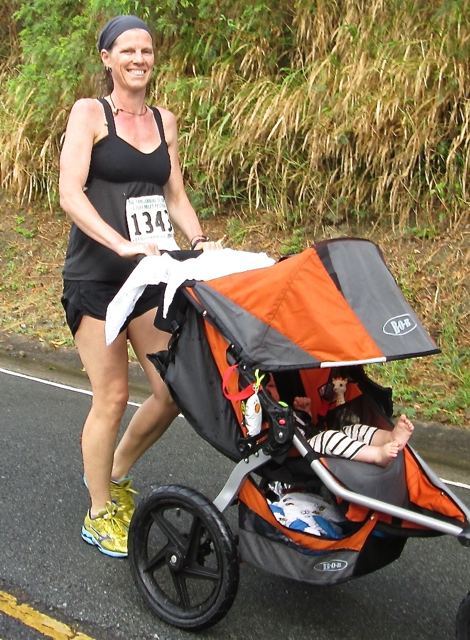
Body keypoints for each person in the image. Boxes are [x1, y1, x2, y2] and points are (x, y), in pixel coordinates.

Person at [59, 14, 221, 558]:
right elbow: (70, 193)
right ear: (106, 58)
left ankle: (117, 471)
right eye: (126, 50)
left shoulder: (164, 121)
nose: (138, 59)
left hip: (151, 279)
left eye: (146, 51)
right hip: (96, 279)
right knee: (112, 395)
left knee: (173, 389)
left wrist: (197, 241)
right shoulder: (89, 113)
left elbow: (174, 196)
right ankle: (99, 511)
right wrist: (119, 242)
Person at [265, 376, 414, 467]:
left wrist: (305, 414)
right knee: (329, 437)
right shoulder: (264, 417)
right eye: (264, 390)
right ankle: (376, 455)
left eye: (271, 386)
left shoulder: (287, 409)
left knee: (352, 429)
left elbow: (307, 427)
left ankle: (389, 437)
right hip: (298, 455)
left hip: (313, 441)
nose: (269, 392)